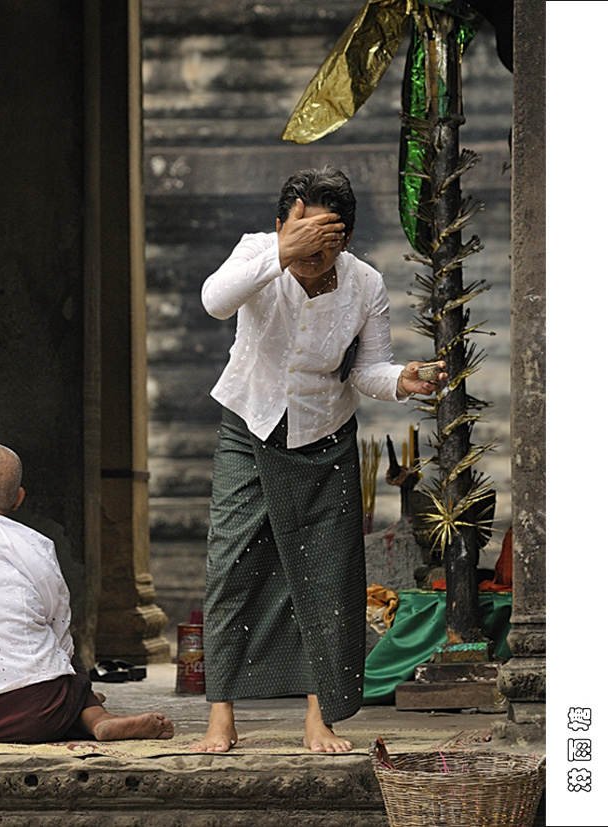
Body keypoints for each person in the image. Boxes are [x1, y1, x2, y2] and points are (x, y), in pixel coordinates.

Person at [192, 166, 446, 754]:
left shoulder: (365, 284)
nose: (311, 256)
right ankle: (220, 716)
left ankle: (318, 717)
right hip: (249, 423)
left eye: (322, 245)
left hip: (325, 435)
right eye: (298, 234)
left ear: (345, 240)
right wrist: (283, 251)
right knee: (231, 564)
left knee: (327, 577)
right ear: (280, 224)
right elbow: (213, 301)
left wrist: (403, 380)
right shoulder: (258, 252)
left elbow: (366, 370)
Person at [0, 442, 175, 743]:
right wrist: (66, 676)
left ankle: (76, 707)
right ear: (19, 499)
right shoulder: (33, 544)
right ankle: (94, 715)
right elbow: (57, 621)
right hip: (36, 709)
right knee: (65, 657)